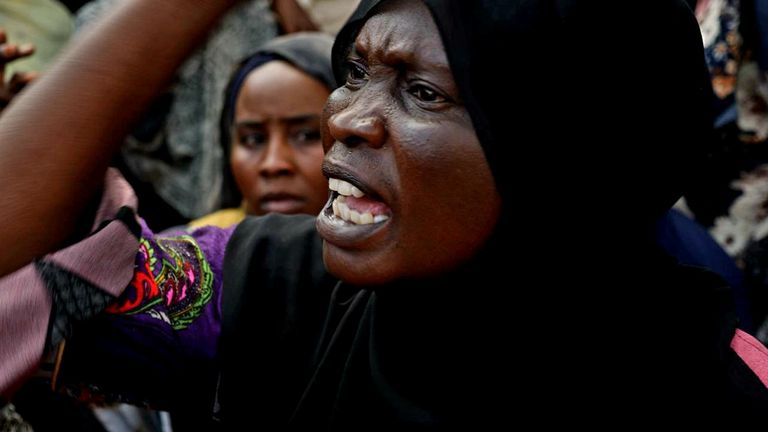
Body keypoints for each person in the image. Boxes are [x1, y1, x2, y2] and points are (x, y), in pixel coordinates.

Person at [0, 0, 767, 427]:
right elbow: (21, 277)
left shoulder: (718, 402)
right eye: (355, 72)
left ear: (562, 155)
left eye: (422, 92)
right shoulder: (268, 286)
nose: (346, 120)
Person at [190, 31, 335, 229]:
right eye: (253, 139)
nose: (273, 164)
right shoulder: (195, 250)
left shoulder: (388, 253)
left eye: (306, 135)